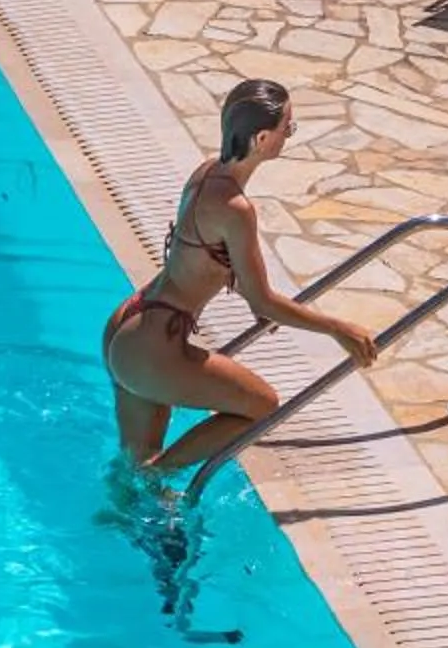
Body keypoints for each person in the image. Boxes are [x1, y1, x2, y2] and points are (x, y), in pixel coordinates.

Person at [102, 80, 378, 477]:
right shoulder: (236, 208)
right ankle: (162, 474)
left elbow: (211, 269)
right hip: (152, 346)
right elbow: (262, 300)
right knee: (262, 405)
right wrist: (338, 329)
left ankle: (139, 504)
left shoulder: (206, 173)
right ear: (262, 137)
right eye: (288, 127)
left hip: (132, 320)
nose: (289, 135)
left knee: (133, 463)